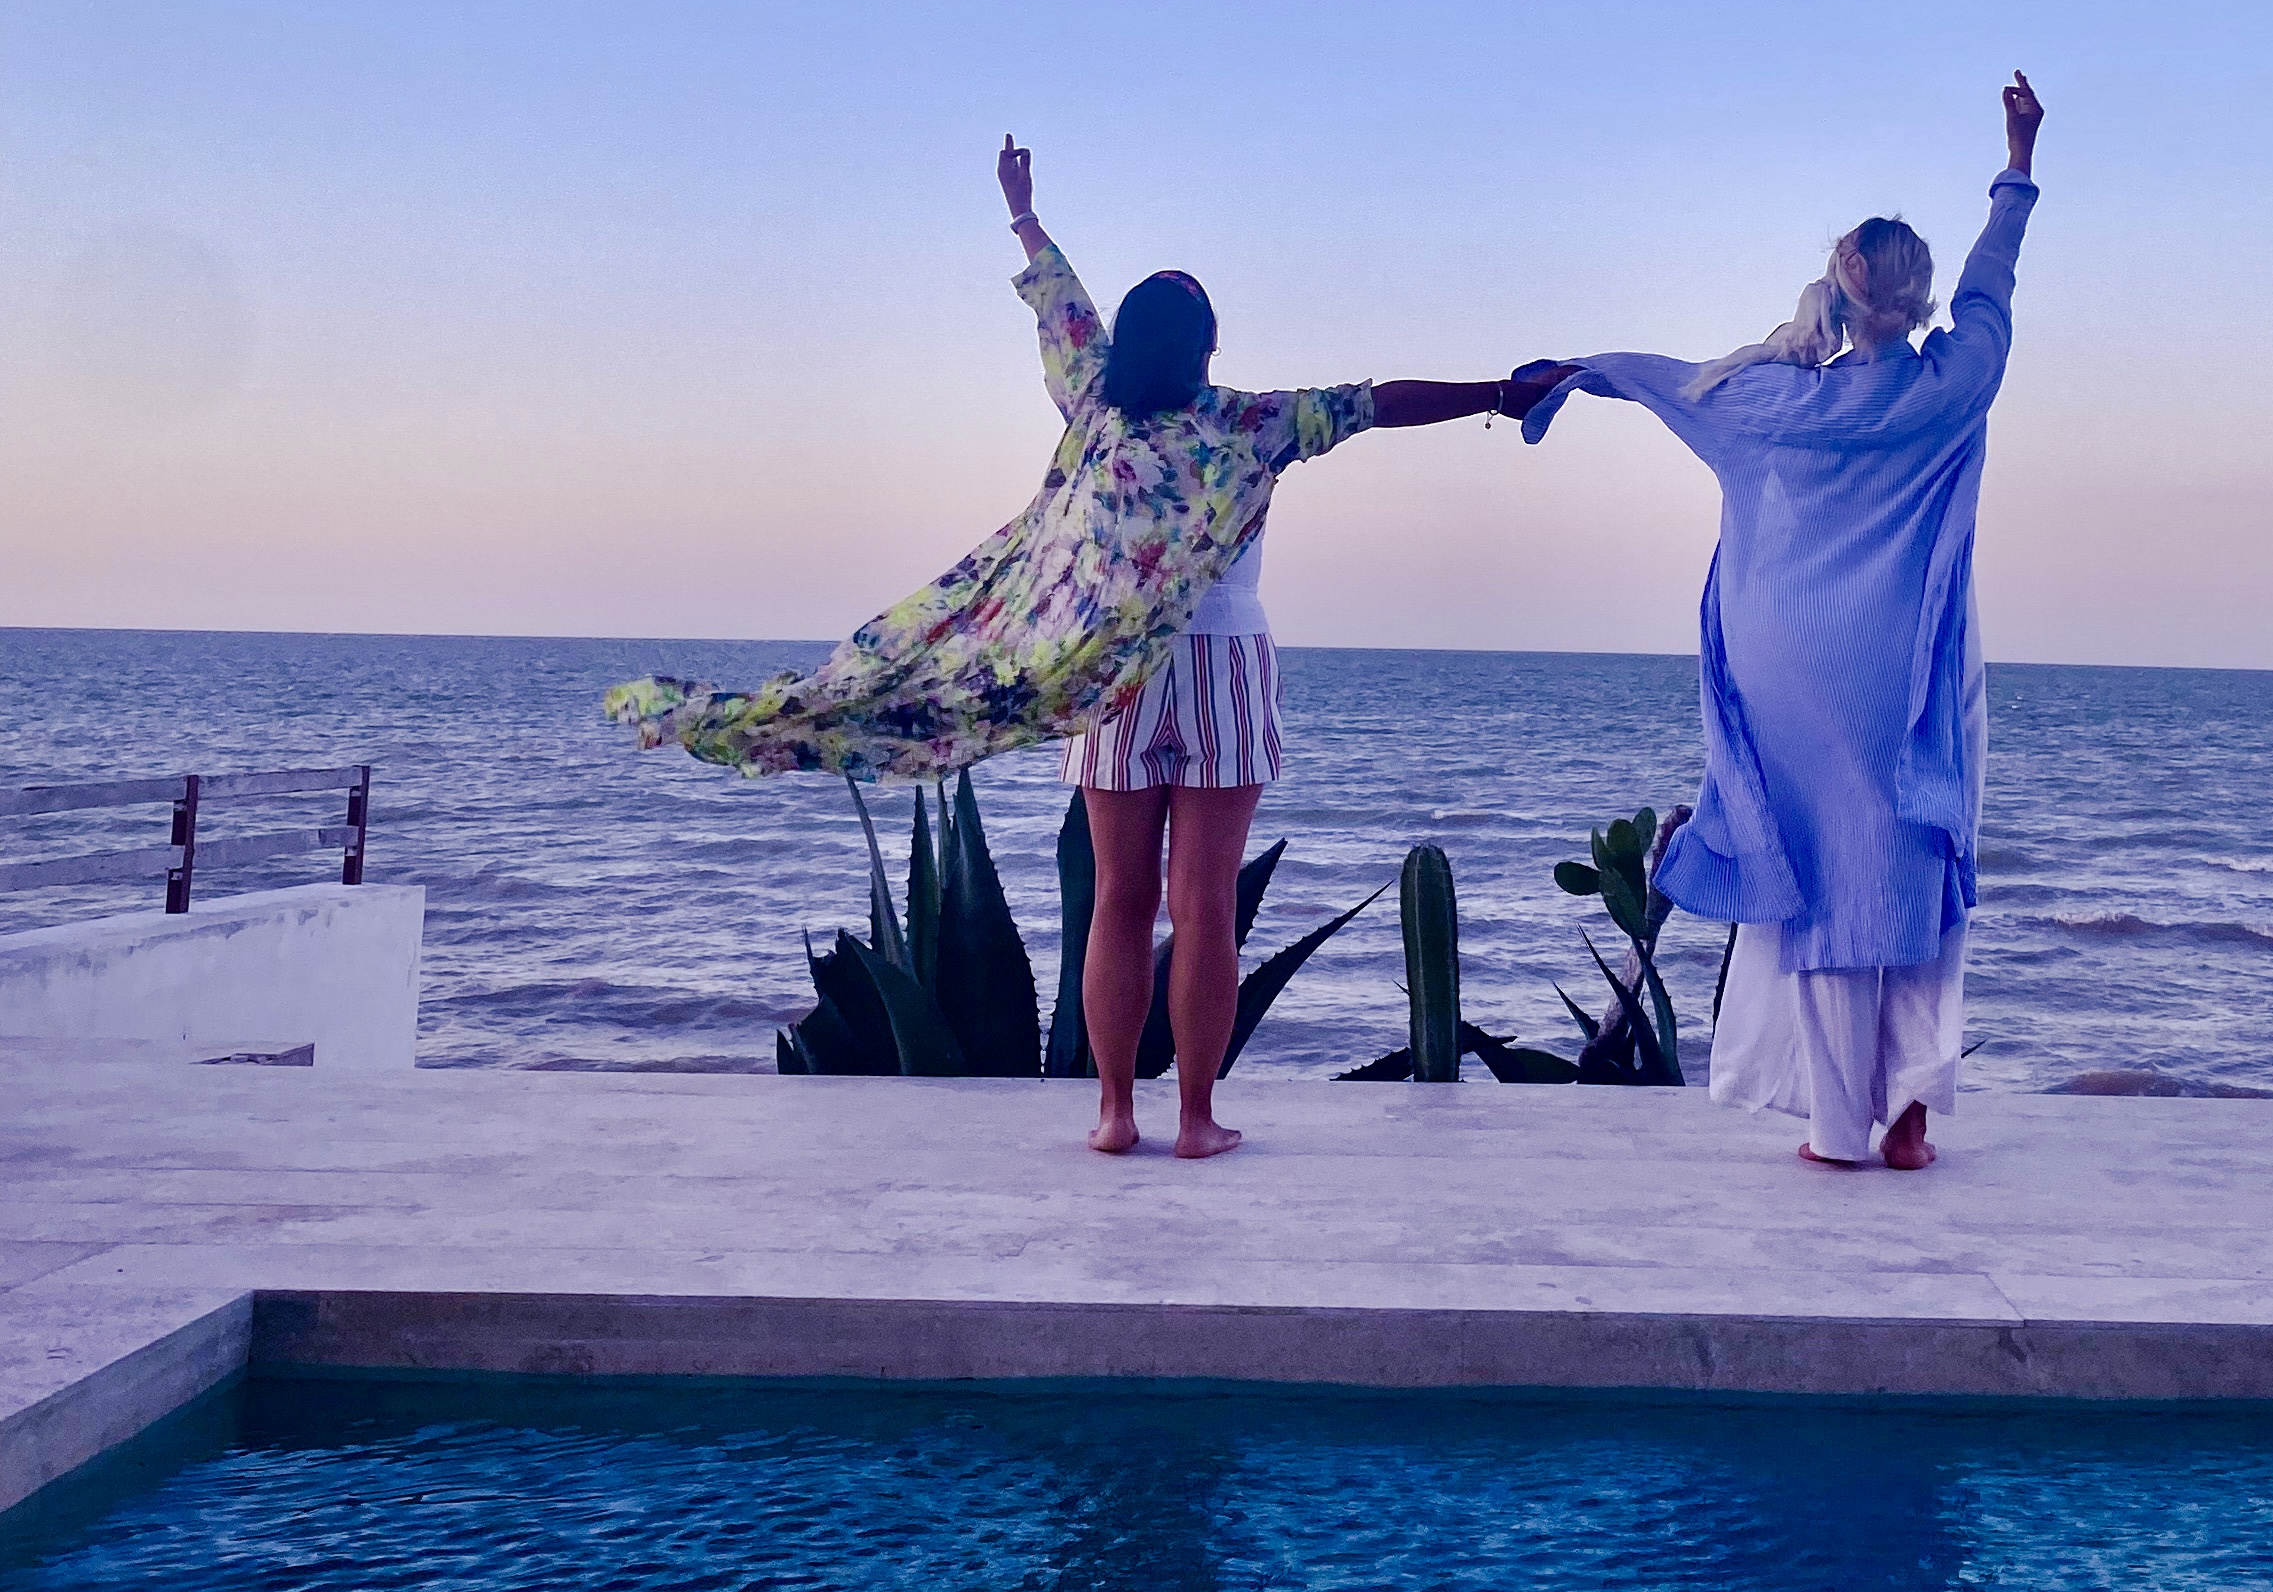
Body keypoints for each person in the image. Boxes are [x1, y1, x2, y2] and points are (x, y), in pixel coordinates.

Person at [608, 134, 1564, 1161]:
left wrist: (1022, 212)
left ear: (1128, 344)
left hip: (1110, 677)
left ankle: (1115, 1113)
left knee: (1119, 899)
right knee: (1204, 910)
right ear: (1207, 346)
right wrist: (1503, 396)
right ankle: (1195, 1120)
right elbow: (1383, 402)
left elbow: (1058, 301)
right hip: (1225, 675)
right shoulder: (1250, 423)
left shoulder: (1094, 404)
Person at [1520, 76, 2048, 1168]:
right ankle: (1904, 1116)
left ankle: (1835, 1129)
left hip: (1789, 672)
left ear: (1842, 287)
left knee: (1813, 881)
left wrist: (1577, 373)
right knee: (1906, 871)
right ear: (1915, 295)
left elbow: (1670, 383)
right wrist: (2018, 162)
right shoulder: (1953, 384)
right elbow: (1993, 290)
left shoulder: (1775, 402)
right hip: (1902, 676)